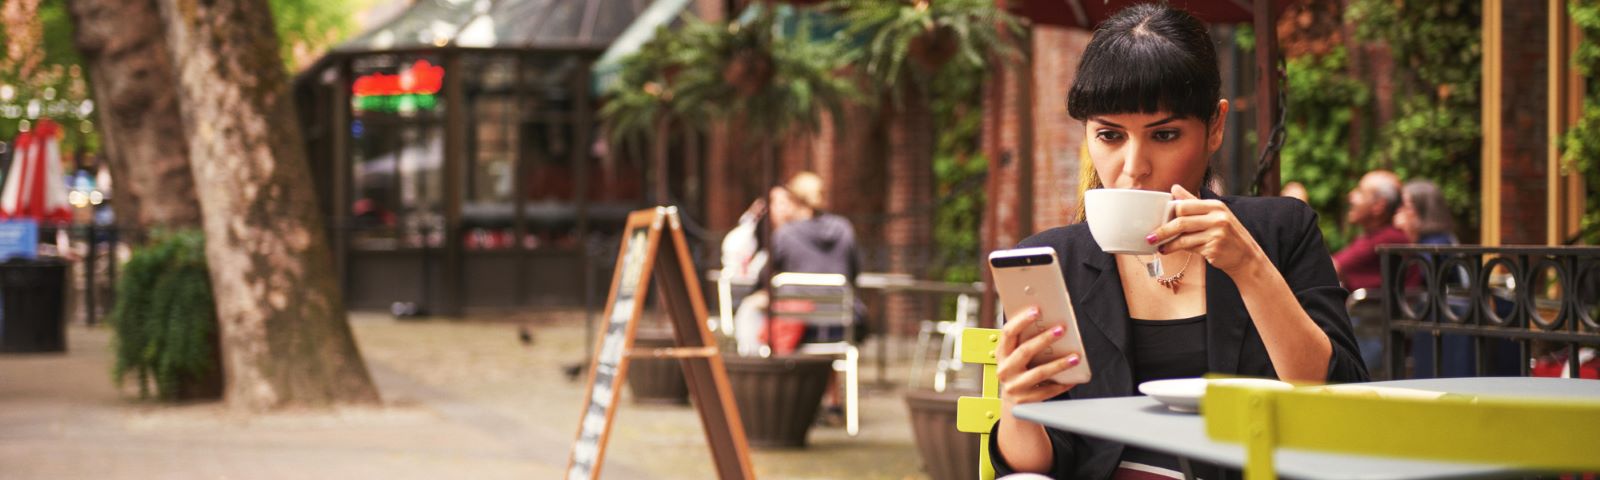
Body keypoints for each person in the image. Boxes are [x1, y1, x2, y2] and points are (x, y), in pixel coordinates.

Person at [990, 5, 1367, 479]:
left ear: (1215, 127)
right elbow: (1039, 465)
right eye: (1109, 135)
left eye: (1164, 134)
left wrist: (1248, 268)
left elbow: (1336, 398)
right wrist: (1018, 403)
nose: (1134, 167)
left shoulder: (1279, 232)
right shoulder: (1054, 262)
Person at [1332, 170, 1406, 291]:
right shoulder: (1375, 236)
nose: (1351, 196)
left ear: (1378, 206)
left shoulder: (1387, 240)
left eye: (1360, 192)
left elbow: (1326, 269)